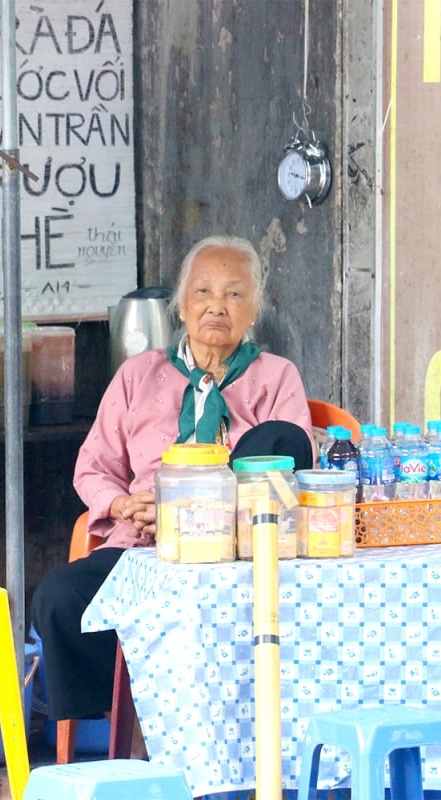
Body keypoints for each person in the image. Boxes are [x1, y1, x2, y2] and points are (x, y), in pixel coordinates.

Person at [30, 234, 314, 727]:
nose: (216, 307)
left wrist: (201, 516)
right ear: (181, 306)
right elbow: (93, 466)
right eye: (202, 292)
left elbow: (292, 475)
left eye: (234, 294)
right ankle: (121, 729)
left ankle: (188, 731)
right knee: (58, 598)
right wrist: (122, 507)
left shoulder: (276, 377)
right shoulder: (139, 375)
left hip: (235, 561)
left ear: (254, 309)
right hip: (140, 553)